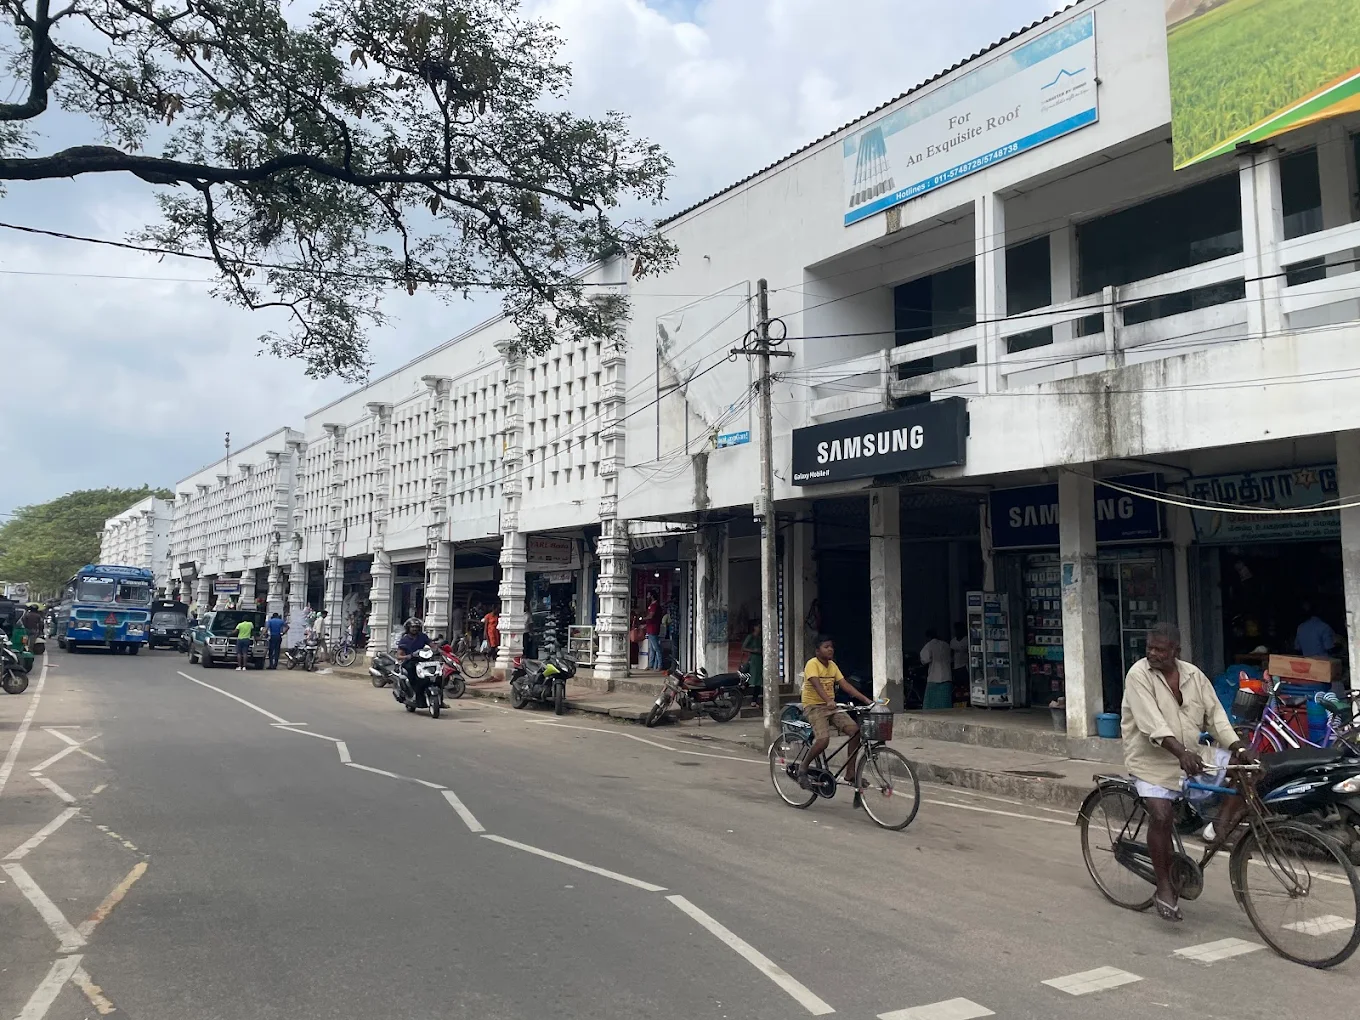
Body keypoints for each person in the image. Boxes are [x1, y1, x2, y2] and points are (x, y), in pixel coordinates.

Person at [1121, 621, 1254, 922]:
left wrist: (1237, 745)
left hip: (1192, 754)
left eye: (1160, 650)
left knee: (1248, 772)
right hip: (1151, 761)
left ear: (1176, 651)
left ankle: (1217, 830)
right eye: (1149, 648)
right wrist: (1180, 752)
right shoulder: (1138, 675)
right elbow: (1151, 722)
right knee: (1161, 816)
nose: (1153, 654)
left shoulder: (1194, 675)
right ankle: (1164, 886)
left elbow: (1216, 715)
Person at [799, 635, 875, 801]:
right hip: (814, 707)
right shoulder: (812, 664)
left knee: (856, 731)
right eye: (826, 647)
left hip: (831, 706)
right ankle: (803, 768)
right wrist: (828, 700)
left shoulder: (832, 666)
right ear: (817, 650)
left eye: (831, 647)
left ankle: (850, 773)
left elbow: (845, 685)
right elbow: (816, 684)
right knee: (823, 740)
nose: (830, 649)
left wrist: (867, 700)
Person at [395, 617, 433, 706]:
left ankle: (440, 699)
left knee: (437, 676)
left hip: (423, 661)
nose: (414, 629)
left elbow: (432, 645)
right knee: (415, 677)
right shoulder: (404, 640)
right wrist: (408, 656)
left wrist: (440, 649)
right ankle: (415, 696)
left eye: (416, 627)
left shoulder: (422, 636)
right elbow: (399, 656)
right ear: (408, 628)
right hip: (410, 662)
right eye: (412, 627)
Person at [1099, 582, 1122, 714]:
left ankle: (1112, 704)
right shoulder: (1109, 606)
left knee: (1107, 677)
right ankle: (1114, 702)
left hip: (1103, 645)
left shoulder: (1098, 607)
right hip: (1113, 643)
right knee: (1113, 675)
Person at [919, 628, 953, 710]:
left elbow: (925, 659)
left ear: (927, 637)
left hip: (934, 678)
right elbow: (951, 658)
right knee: (945, 704)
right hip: (946, 677)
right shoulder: (946, 645)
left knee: (931, 704)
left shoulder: (929, 645)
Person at [742, 621, 763, 695]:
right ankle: (742, 691)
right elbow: (743, 648)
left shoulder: (760, 638)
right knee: (754, 678)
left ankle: (754, 699)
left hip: (760, 659)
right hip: (753, 659)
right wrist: (753, 650)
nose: (759, 629)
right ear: (754, 627)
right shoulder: (751, 637)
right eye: (758, 627)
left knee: (758, 679)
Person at [949, 622, 968, 702]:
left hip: (965, 667)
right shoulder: (953, 641)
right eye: (956, 630)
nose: (957, 632)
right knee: (958, 688)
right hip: (956, 667)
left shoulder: (967, 640)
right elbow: (951, 654)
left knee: (966, 687)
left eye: (959, 630)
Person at [644, 592, 663, 670]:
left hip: (653, 628)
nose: (647, 596)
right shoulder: (654, 605)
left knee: (656, 648)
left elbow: (651, 616)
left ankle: (659, 665)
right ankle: (651, 665)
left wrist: (643, 618)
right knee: (652, 648)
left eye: (648, 595)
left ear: (652, 596)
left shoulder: (654, 606)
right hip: (651, 628)